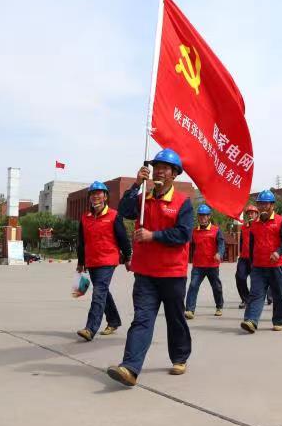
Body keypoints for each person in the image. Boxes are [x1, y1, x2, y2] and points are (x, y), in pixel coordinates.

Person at [107, 148, 194, 387]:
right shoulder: (143, 198)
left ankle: (179, 357)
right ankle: (130, 368)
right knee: (142, 319)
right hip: (145, 273)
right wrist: (136, 185)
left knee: (175, 318)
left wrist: (153, 236)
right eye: (157, 167)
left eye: (165, 168)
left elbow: (184, 234)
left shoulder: (182, 203)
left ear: (174, 174)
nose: (160, 172)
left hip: (172, 273)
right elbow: (123, 212)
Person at [75, 181, 131, 342]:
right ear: (90, 198)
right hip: (91, 261)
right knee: (103, 292)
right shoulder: (85, 218)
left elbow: (123, 239)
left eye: (99, 193)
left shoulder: (114, 215)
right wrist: (80, 262)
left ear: (105, 196)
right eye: (93, 194)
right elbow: (81, 241)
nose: (96, 196)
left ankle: (90, 328)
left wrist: (128, 257)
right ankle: (113, 321)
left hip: (108, 260)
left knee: (99, 292)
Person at [240, 190, 282, 333]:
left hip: (277, 266)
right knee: (256, 294)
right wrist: (251, 261)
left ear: (272, 205)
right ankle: (251, 320)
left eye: (265, 204)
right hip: (258, 266)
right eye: (260, 204)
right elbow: (251, 244)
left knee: (279, 295)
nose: (262, 207)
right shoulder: (254, 225)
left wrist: (278, 252)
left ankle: (278, 320)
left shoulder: (281, 221)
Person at [185, 204, 225, 319]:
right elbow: (188, 245)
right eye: (200, 216)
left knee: (216, 287)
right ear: (198, 217)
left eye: (204, 216)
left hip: (212, 265)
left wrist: (219, 253)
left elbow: (221, 244)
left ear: (209, 217)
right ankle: (189, 310)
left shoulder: (216, 230)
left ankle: (219, 306)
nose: (202, 218)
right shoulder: (194, 231)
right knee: (193, 286)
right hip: (198, 265)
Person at [235, 205, 259, 309]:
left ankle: (267, 295)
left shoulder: (260, 226)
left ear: (257, 214)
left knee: (258, 280)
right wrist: (239, 253)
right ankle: (245, 299)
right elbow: (241, 241)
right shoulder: (244, 227)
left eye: (252, 213)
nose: (250, 214)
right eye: (248, 213)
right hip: (244, 258)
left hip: (257, 258)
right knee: (240, 277)